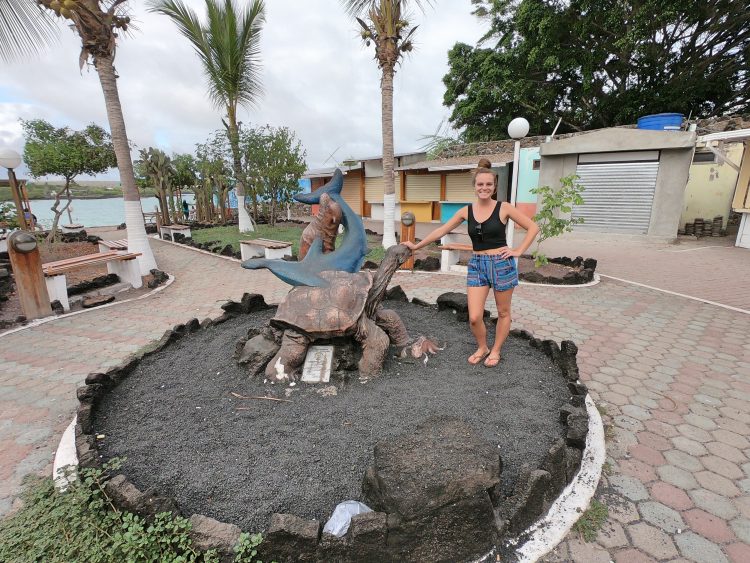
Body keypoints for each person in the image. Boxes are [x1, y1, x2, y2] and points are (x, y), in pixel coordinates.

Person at [403, 159, 540, 367]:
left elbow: (533, 227)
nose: (484, 188)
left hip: (501, 264)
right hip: (477, 264)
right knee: (475, 316)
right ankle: (482, 346)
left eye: (488, 184)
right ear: (475, 187)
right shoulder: (466, 211)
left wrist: (518, 250)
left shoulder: (504, 208)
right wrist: (416, 246)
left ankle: (496, 350)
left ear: (494, 186)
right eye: (480, 184)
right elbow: (442, 230)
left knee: (503, 312)